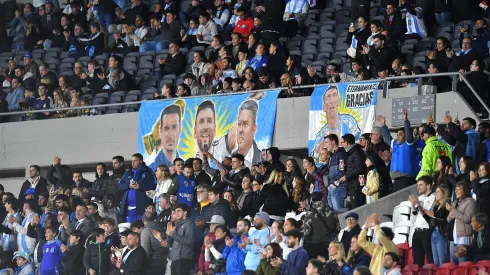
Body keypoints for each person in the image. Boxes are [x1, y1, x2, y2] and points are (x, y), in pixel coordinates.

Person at [312, 86, 360, 160]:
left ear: (338, 101)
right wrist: (324, 141)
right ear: (324, 107)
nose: (332, 101)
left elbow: (357, 142)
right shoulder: (321, 134)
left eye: (334, 95)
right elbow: (315, 156)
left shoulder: (348, 121)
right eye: (328, 97)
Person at [119, 153, 156, 223]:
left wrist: (140, 187)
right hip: (128, 210)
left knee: (141, 229)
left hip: (141, 209)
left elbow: (153, 185)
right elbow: (119, 186)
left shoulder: (148, 171)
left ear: (141, 161)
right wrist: (128, 186)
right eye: (132, 161)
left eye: (135, 161)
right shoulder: (128, 172)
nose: (133, 163)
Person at [303, 192, 341, 258]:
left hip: (315, 246)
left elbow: (307, 232)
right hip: (329, 245)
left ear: (311, 200)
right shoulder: (331, 211)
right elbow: (338, 228)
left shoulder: (310, 213)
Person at [447, 182, 477, 264]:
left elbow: (467, 218)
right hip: (454, 239)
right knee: (455, 268)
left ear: (466, 190)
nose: (456, 191)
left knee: (463, 267)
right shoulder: (457, 203)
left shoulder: (470, 202)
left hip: (464, 239)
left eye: (459, 188)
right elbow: (448, 219)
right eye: (455, 189)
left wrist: (454, 211)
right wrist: (452, 209)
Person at [409, 176, 435, 267]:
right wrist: (413, 206)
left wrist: (417, 205)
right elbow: (413, 217)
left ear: (428, 186)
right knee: (417, 262)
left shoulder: (434, 197)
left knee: (431, 259)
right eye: (417, 185)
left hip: (427, 231)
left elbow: (429, 215)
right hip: (416, 232)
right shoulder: (419, 198)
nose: (418, 187)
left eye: (420, 185)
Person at [148, 104, 183, 169]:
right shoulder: (151, 170)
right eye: (166, 128)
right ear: (160, 130)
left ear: (180, 128)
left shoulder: (185, 170)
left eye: (174, 127)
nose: (170, 134)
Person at [167, 203, 197, 275]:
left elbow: (190, 241)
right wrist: (169, 234)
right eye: (175, 211)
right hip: (174, 259)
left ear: (185, 212)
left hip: (183, 259)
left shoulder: (189, 224)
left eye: (179, 211)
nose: (176, 213)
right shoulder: (177, 225)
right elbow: (169, 244)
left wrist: (174, 235)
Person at [340, 134, 366, 209]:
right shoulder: (349, 152)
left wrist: (346, 176)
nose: (341, 144)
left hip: (357, 184)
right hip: (352, 184)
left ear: (347, 143)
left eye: (342, 142)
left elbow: (359, 169)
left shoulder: (356, 152)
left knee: (357, 207)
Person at [427, 185, 450, 266]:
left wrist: (434, 216)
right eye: (435, 192)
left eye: (438, 192)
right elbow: (431, 220)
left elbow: (445, 221)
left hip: (441, 233)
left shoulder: (446, 205)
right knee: (436, 262)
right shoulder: (435, 206)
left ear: (444, 193)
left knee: (442, 261)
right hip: (433, 233)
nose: (436, 194)